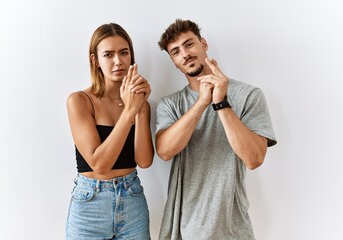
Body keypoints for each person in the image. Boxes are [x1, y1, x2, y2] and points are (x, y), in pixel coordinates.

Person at [155, 19, 277, 240]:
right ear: (174, 61)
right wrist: (202, 102)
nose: (185, 54)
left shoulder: (249, 95)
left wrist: (221, 104)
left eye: (189, 44)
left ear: (204, 44)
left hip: (231, 228)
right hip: (184, 227)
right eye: (176, 51)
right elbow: (164, 151)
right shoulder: (170, 104)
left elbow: (254, 158)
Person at [65, 23, 154, 240]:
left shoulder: (140, 104)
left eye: (124, 53)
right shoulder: (79, 101)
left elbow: (143, 161)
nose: (118, 61)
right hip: (90, 205)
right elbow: (100, 165)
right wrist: (129, 112)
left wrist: (140, 107)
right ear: (95, 60)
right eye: (108, 54)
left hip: (132, 199)